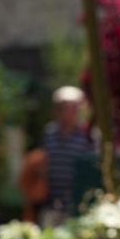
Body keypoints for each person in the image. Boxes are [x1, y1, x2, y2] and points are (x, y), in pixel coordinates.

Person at [37, 86, 93, 227]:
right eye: (64, 107)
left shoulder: (88, 136)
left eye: (75, 107)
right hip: (50, 203)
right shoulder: (49, 133)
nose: (70, 111)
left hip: (77, 207)